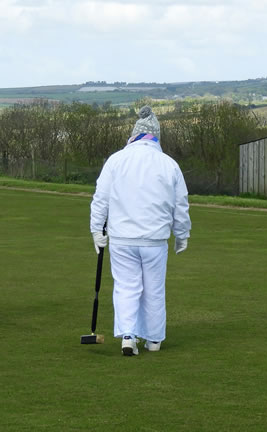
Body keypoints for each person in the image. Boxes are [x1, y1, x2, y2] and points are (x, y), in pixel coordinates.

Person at [90, 105, 191, 356]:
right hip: (155, 239)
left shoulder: (116, 160)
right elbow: (180, 204)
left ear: (134, 135)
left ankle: (128, 336)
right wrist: (182, 234)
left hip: (122, 238)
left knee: (126, 287)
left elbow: (100, 199)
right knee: (154, 289)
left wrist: (96, 230)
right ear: (155, 136)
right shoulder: (169, 164)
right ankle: (154, 340)